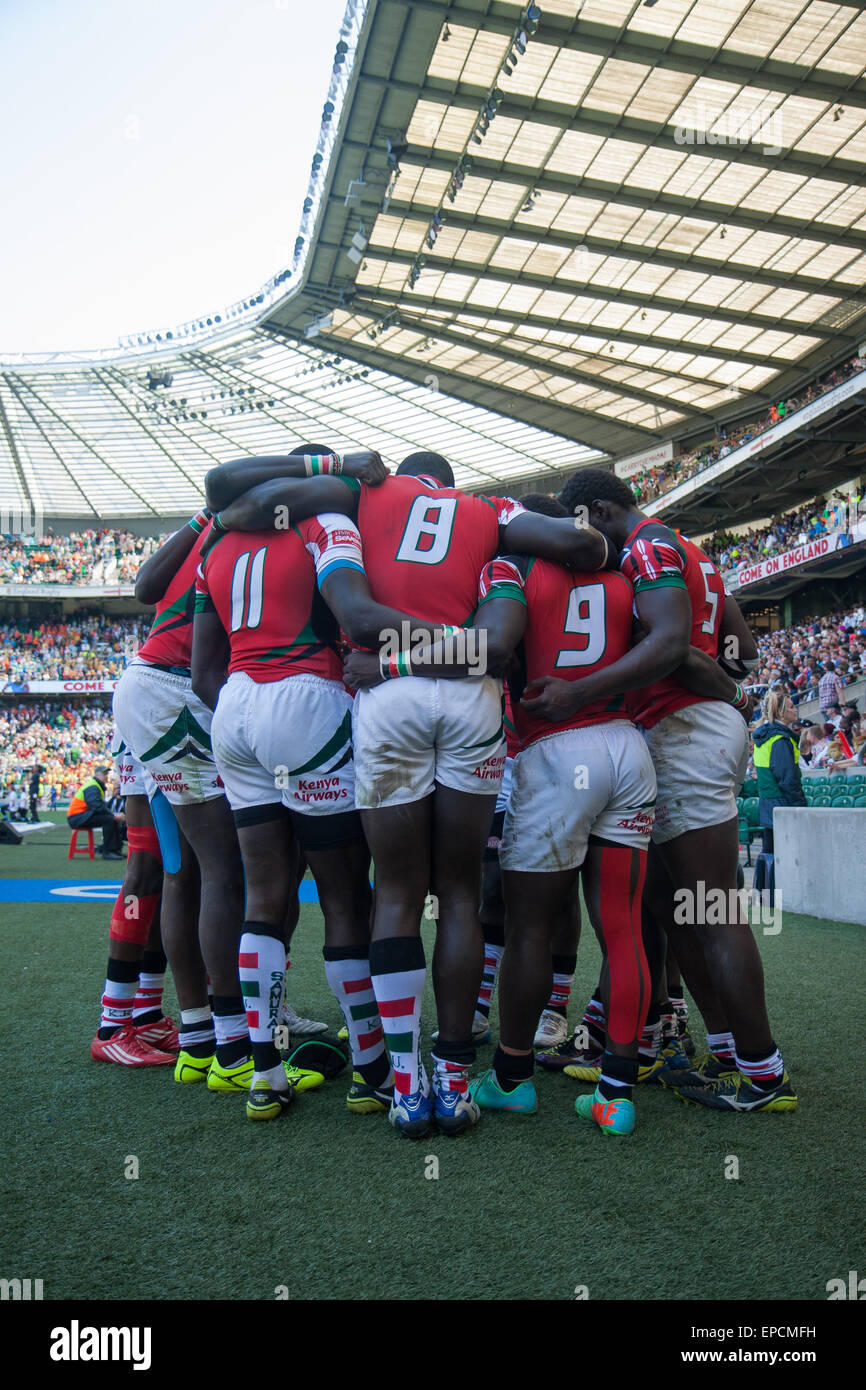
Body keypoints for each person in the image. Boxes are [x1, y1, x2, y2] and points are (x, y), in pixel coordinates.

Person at [204, 447, 613, 1139]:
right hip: (470, 702)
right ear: (451, 486)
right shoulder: (489, 518)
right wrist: (471, 630)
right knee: (457, 891)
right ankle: (453, 1082)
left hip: (382, 698)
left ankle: (402, 1083)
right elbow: (583, 547)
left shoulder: (356, 498)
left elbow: (233, 504)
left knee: (393, 891)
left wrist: (390, 655)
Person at [192, 499, 458, 1121]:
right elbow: (361, 620)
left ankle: (265, 1074)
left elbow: (205, 668)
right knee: (346, 898)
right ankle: (372, 1072)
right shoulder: (326, 523)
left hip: (234, 707)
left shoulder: (219, 544)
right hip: (308, 699)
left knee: (264, 897)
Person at [551, 469, 796, 1114]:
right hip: (686, 726)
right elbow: (741, 654)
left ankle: (764, 1077)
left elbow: (671, 646)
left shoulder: (646, 547)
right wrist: (713, 675)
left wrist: (586, 688)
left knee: (712, 908)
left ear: (598, 510)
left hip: (685, 729)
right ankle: (726, 1049)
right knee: (669, 902)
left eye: (577, 525)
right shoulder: (692, 552)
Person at [753, 691, 807, 853]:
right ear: (781, 712)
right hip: (782, 804)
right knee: (785, 856)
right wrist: (801, 806)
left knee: (770, 854)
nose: (795, 709)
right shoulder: (780, 739)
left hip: (768, 803)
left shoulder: (764, 737)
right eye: (791, 707)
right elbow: (787, 778)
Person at [67, 766, 125, 859]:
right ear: (97, 774)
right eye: (104, 774)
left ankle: (115, 850)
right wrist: (114, 815)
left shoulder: (95, 786)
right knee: (109, 819)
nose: (107, 776)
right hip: (77, 818)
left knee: (111, 819)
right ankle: (108, 852)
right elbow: (97, 806)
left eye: (107, 774)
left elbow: (99, 806)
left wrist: (113, 815)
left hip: (81, 816)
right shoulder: (92, 786)